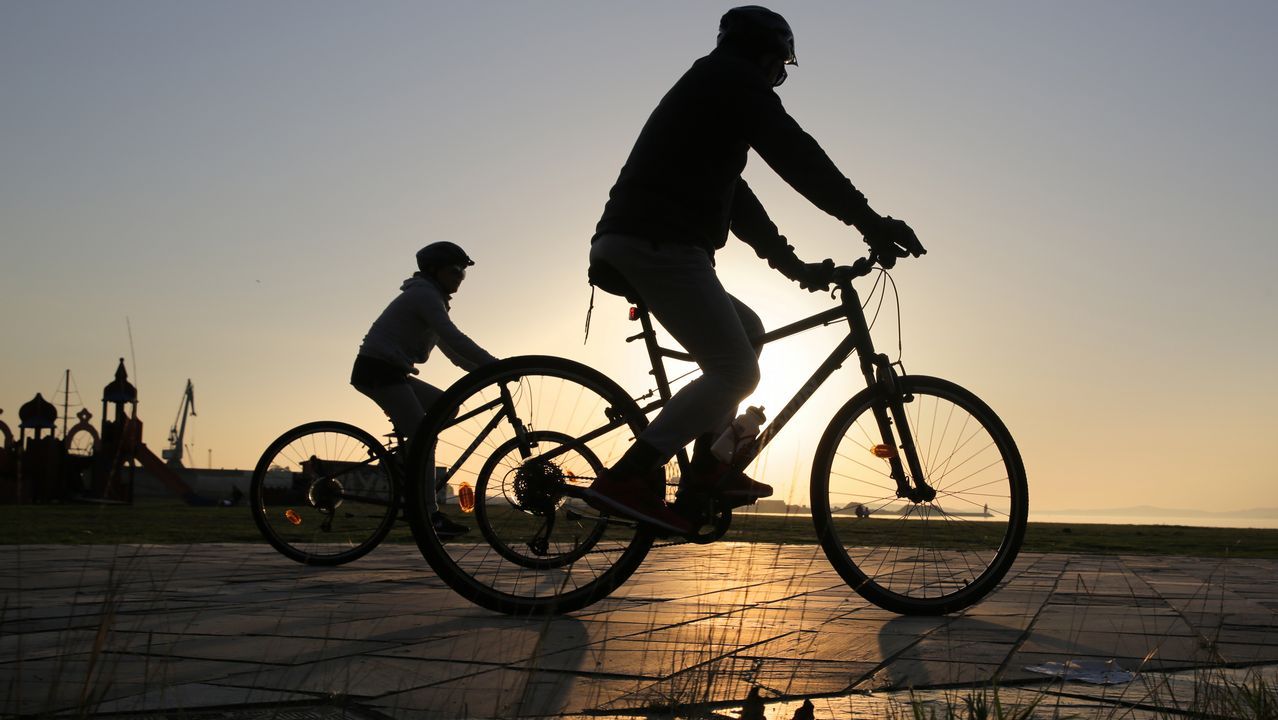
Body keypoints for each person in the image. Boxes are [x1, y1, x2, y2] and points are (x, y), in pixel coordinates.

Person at [583, 6, 926, 535]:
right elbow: (797, 156)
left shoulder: (712, 91)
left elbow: (737, 201)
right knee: (737, 372)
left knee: (747, 332)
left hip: (648, 241)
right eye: (782, 68)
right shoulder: (732, 80)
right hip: (658, 243)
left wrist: (793, 266)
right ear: (767, 57)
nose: (779, 79)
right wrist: (870, 222)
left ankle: (707, 473)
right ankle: (627, 477)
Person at [351, 241, 498, 537]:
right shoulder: (424, 296)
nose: (460, 277)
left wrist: (487, 373)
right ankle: (428, 514)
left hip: (392, 371)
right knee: (424, 435)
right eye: (455, 270)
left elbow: (454, 354)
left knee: (447, 405)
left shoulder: (433, 298)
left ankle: (406, 460)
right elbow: (455, 338)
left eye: (463, 273)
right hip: (378, 371)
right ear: (434, 270)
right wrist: (495, 365)